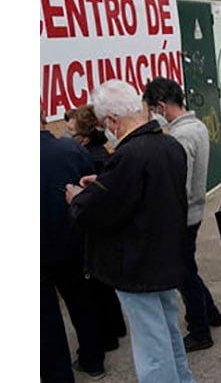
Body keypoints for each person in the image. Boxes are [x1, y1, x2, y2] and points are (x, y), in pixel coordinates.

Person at [66, 79, 194, 383]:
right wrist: (99, 183)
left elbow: (99, 210)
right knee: (167, 334)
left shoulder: (130, 154)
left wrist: (77, 198)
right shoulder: (168, 144)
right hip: (164, 257)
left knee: (151, 349)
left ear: (112, 120)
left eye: (102, 123)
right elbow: (140, 194)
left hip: (137, 266)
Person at [142, 78, 221, 353]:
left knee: (183, 275)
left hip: (182, 216)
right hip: (193, 211)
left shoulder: (181, 136)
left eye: (153, 109)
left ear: (162, 106)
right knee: (189, 269)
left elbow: (180, 183)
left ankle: (199, 331)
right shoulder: (195, 125)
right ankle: (211, 312)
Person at [42, 110, 107, 382]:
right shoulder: (71, 148)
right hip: (72, 241)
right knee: (82, 302)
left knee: (45, 317)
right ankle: (94, 360)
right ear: (44, 115)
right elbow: (91, 186)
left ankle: (58, 374)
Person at [66, 105, 127, 352]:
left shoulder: (92, 157)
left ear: (84, 134)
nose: (67, 134)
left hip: (98, 226)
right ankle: (117, 327)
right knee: (103, 285)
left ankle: (109, 336)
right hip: (104, 227)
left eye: (71, 129)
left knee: (97, 285)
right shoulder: (98, 152)